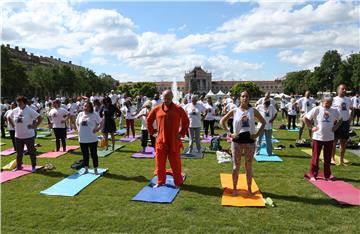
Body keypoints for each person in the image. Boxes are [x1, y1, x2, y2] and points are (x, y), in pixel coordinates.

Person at [220, 90, 265, 196]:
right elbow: (222, 121)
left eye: (247, 96)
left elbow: (263, 122)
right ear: (240, 98)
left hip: (250, 142)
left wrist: (257, 134)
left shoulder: (253, 110)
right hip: (237, 142)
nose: (245, 98)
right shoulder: (235, 111)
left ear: (249, 98)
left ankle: (249, 189)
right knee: (236, 166)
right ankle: (234, 188)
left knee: (248, 166)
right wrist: (229, 133)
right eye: (243, 96)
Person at [146, 90, 189, 188]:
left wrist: (182, 133)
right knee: (160, 163)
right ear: (162, 97)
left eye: (168, 98)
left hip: (174, 141)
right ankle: (160, 181)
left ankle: (178, 182)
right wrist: (152, 132)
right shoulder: (156, 109)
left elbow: (186, 121)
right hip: (161, 141)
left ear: (172, 97)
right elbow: (149, 120)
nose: (166, 100)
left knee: (176, 163)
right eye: (165, 98)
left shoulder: (178, 108)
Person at [303, 96, 341, 180]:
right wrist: (311, 127)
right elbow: (305, 118)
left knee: (327, 158)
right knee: (315, 157)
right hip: (318, 137)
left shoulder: (334, 110)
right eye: (327, 103)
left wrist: (336, 127)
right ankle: (313, 175)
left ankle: (327, 175)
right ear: (322, 101)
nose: (328, 105)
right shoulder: (317, 109)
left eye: (330, 103)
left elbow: (340, 119)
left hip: (329, 137)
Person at [9, 96, 43, 172]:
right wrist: (13, 126)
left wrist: (35, 126)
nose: (18, 104)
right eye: (18, 102)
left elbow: (40, 118)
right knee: (19, 153)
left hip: (29, 136)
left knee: (31, 152)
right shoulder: (15, 110)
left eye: (20, 102)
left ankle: (33, 166)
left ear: (24, 102)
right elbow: (9, 117)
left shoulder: (29, 110)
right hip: (18, 136)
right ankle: (18, 166)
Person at [76, 101, 102, 175]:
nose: (85, 108)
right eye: (84, 106)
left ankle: (95, 169)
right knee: (85, 155)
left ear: (90, 107)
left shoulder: (94, 114)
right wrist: (78, 129)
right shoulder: (80, 114)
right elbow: (77, 123)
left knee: (94, 155)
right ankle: (86, 169)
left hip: (92, 139)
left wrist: (97, 129)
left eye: (87, 106)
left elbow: (101, 122)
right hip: (82, 139)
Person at [331, 84, 353, 165]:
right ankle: (332, 158)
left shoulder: (348, 99)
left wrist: (350, 119)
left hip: (345, 123)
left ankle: (341, 160)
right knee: (334, 142)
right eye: (342, 89)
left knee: (344, 142)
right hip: (336, 123)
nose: (344, 90)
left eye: (345, 89)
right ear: (338, 90)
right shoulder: (333, 99)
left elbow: (351, 109)